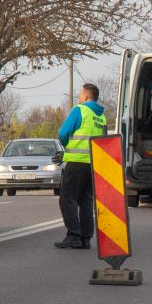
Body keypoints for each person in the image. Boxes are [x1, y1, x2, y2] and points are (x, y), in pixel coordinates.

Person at [54, 83, 108, 249]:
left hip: (76, 162)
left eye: (80, 94)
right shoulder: (101, 116)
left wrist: (66, 147)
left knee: (67, 199)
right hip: (93, 164)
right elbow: (104, 140)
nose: (79, 97)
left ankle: (73, 235)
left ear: (85, 96)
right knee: (85, 201)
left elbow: (63, 133)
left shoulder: (80, 110)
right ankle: (86, 238)